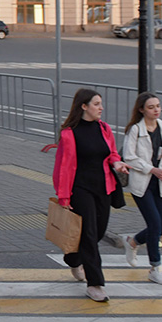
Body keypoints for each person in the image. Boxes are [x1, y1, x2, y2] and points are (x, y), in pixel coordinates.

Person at [53, 88, 129, 303]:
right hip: (80, 189)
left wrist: (118, 163)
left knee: (97, 232)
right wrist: (64, 197)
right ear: (84, 106)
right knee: (88, 234)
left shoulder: (104, 128)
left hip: (103, 187)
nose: (101, 108)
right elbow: (64, 167)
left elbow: (112, 153)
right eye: (96, 104)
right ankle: (95, 284)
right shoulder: (70, 133)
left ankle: (73, 258)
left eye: (100, 104)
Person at [122, 92, 162, 286]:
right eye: (151, 107)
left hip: (161, 182)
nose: (156, 110)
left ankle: (133, 242)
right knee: (155, 224)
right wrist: (152, 169)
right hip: (142, 183)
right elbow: (129, 157)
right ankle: (156, 268)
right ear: (141, 110)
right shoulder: (135, 130)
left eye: (158, 106)